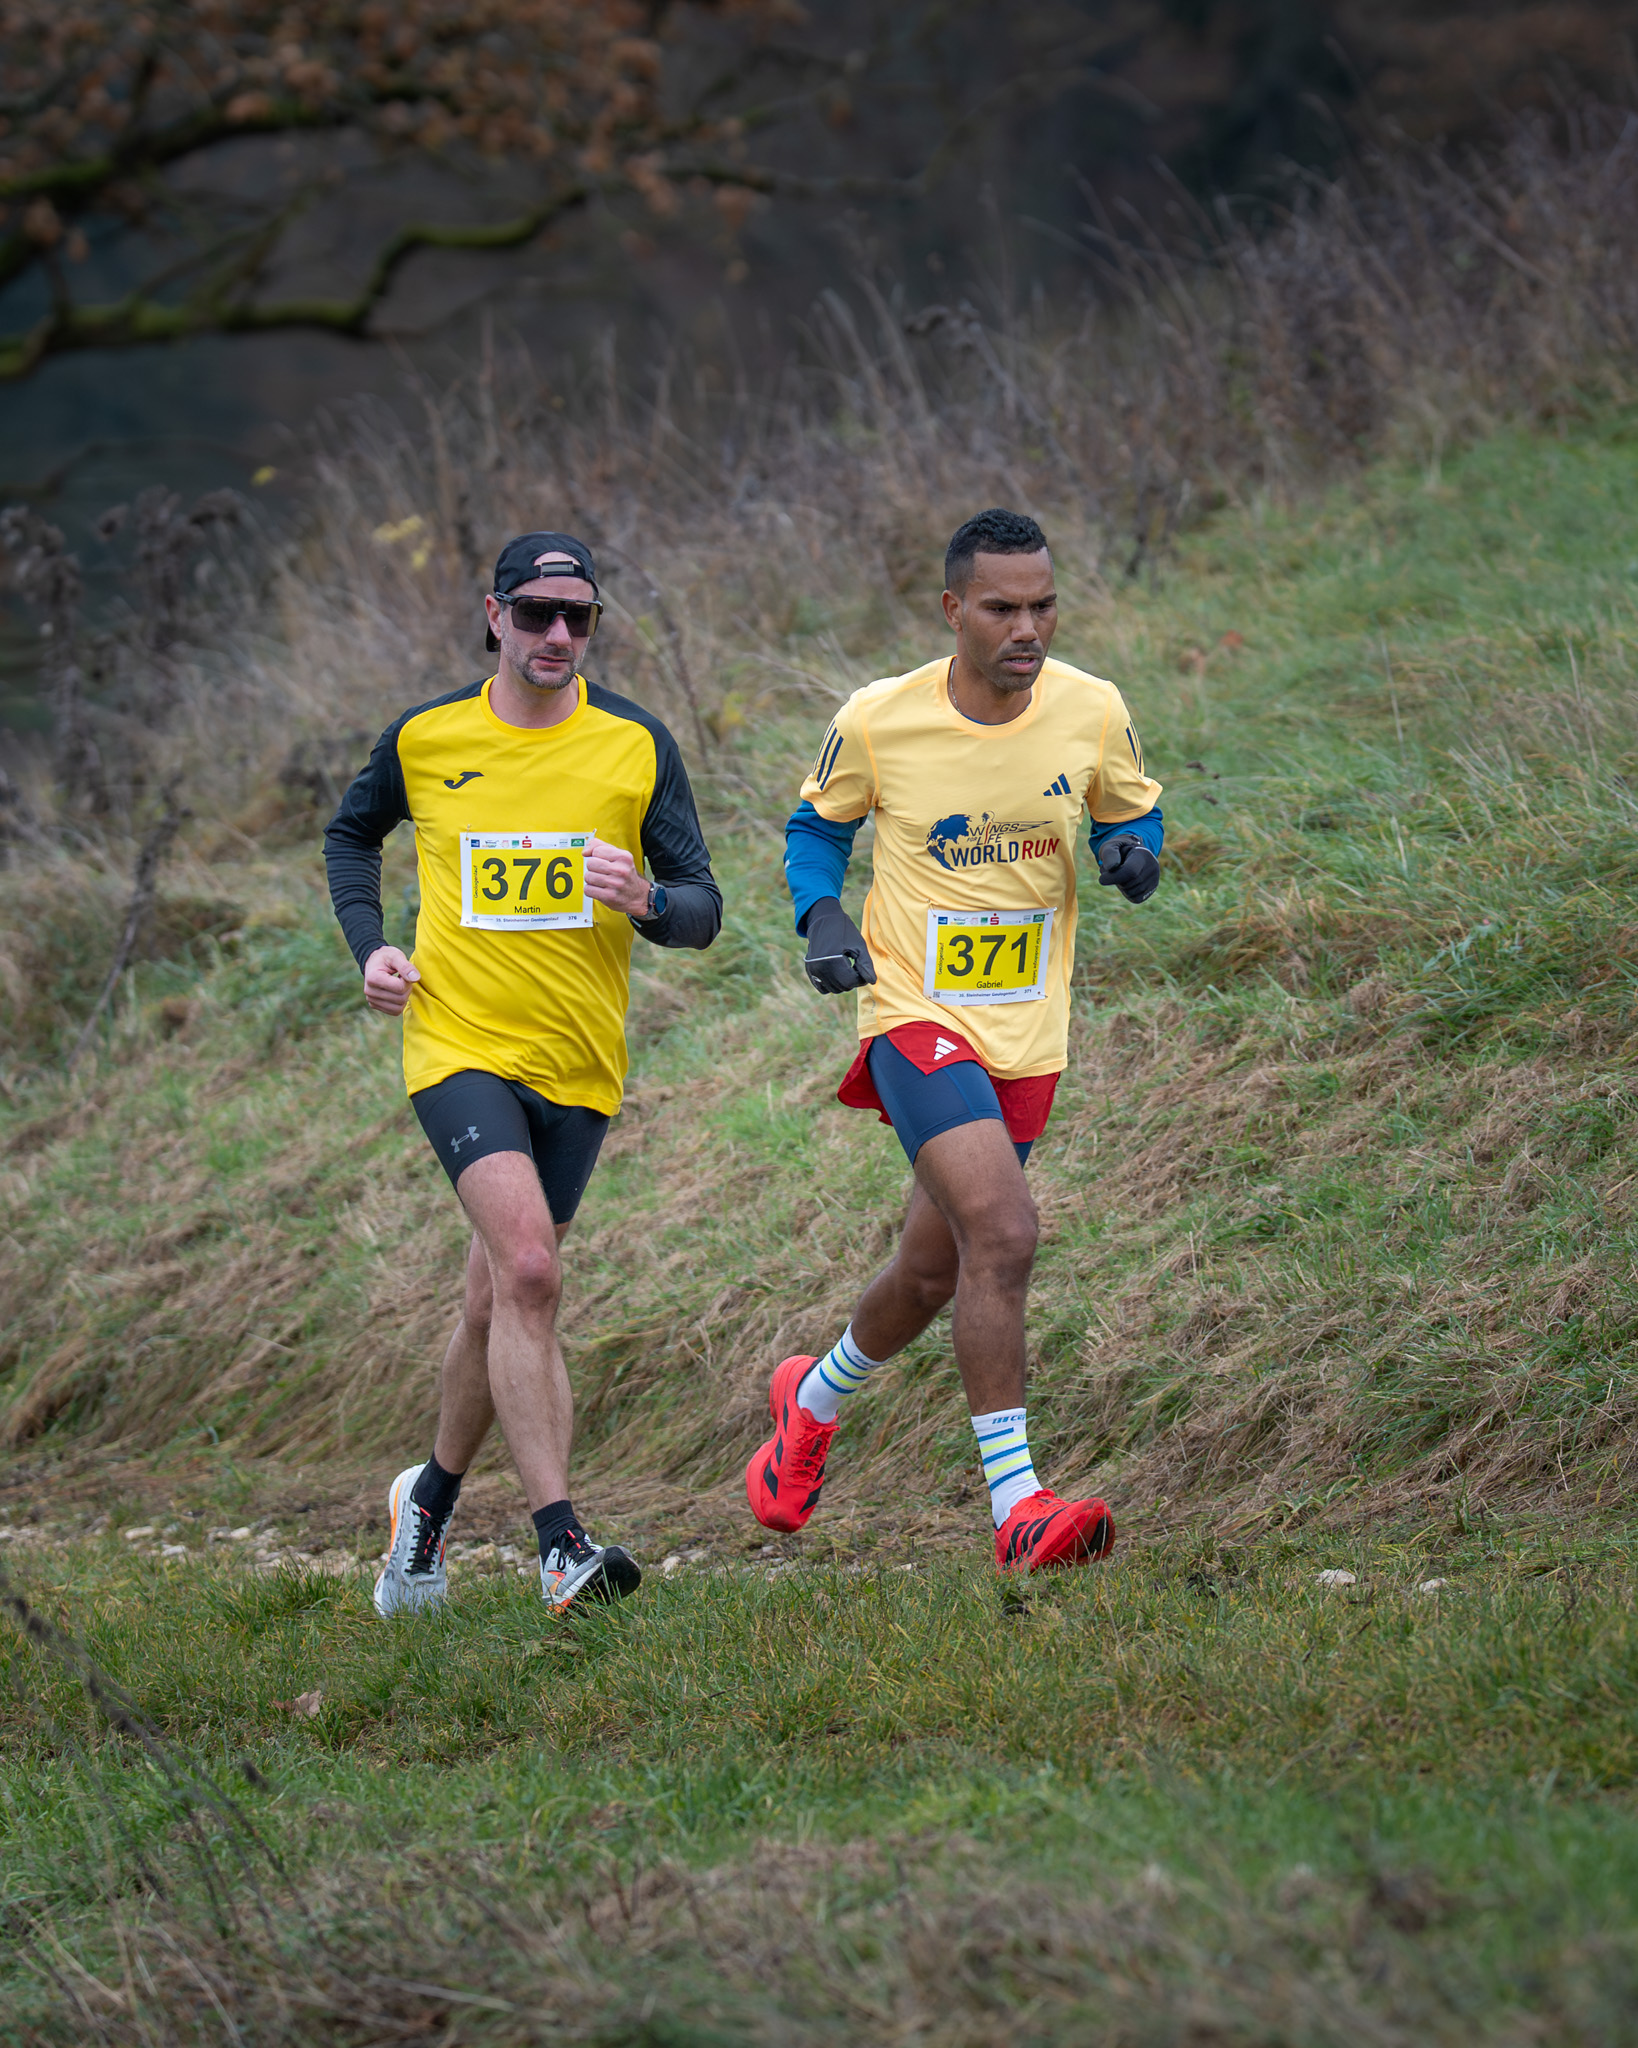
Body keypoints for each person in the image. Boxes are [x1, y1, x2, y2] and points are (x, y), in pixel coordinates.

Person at [747, 508, 1162, 1572]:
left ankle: (811, 1399)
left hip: (1029, 1031)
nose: (1028, 628)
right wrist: (821, 913)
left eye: (1044, 605)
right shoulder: (880, 718)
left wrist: (1132, 851)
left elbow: (1130, 809)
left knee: (933, 1272)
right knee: (1006, 1233)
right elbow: (817, 827)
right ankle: (1017, 1506)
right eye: (1002, 607)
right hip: (915, 1014)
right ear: (952, 610)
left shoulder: (1093, 707)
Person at [325, 531, 721, 1616]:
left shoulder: (635, 743)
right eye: (537, 612)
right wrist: (371, 946)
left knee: (494, 1297)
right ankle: (561, 1546)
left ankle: (426, 1508)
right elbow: (351, 837)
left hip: (579, 1065)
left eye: (577, 617)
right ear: (494, 614)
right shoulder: (426, 737)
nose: (557, 633)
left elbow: (702, 908)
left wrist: (645, 900)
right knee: (534, 1271)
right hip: (456, 1045)